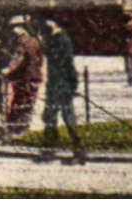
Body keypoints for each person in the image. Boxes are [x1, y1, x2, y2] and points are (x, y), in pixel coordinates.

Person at [40, 19, 87, 165]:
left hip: (61, 86)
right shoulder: (55, 39)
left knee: (66, 118)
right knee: (50, 117)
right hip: (55, 85)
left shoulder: (61, 40)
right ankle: (51, 150)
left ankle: (78, 152)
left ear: (54, 24)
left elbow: (68, 65)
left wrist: (72, 86)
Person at [2, 17, 45, 143]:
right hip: (34, 76)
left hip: (25, 77)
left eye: (14, 28)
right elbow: (40, 59)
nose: (12, 31)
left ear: (21, 27)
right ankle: (23, 128)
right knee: (27, 102)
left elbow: (18, 57)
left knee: (21, 102)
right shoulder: (34, 40)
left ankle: (18, 130)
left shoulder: (22, 41)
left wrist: (8, 70)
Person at [120, 15, 132, 88]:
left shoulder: (128, 29)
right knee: (130, 66)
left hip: (128, 50)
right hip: (131, 50)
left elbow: (124, 40)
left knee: (129, 66)